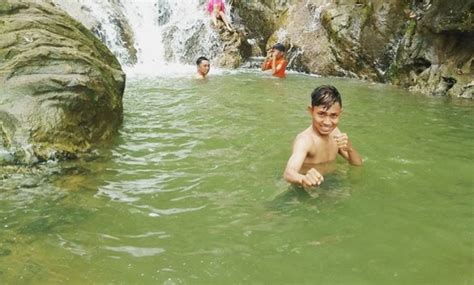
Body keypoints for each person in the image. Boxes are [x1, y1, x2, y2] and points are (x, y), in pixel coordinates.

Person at [283, 85, 362, 188]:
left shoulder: (336, 133)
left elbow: (357, 164)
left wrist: (350, 149)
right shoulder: (305, 140)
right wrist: (303, 179)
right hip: (307, 185)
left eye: (333, 115)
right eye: (321, 114)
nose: (327, 122)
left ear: (340, 113)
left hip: (331, 180)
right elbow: (288, 173)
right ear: (311, 111)